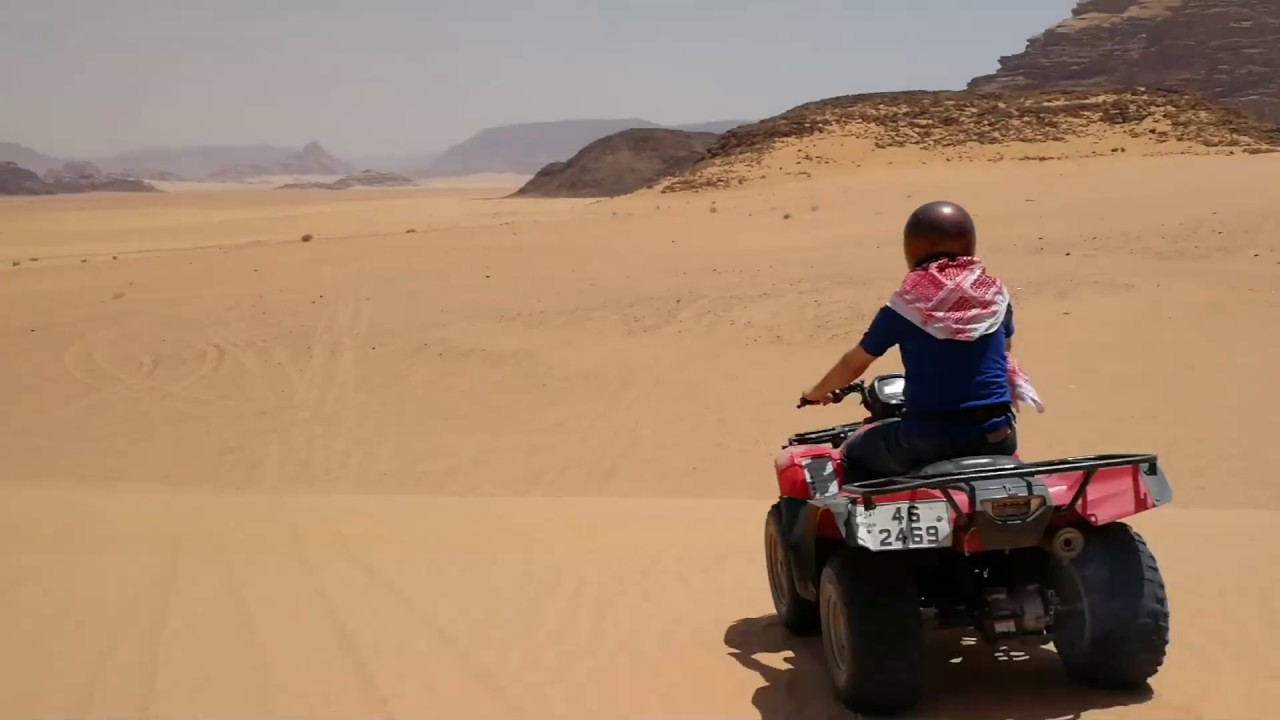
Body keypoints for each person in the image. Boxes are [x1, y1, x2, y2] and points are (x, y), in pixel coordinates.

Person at [799, 200, 1044, 483]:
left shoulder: (908, 305)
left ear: (912, 247)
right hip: (998, 438)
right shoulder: (996, 297)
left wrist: (816, 392)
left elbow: (853, 364)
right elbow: (1004, 356)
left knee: (852, 452)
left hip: (928, 442)